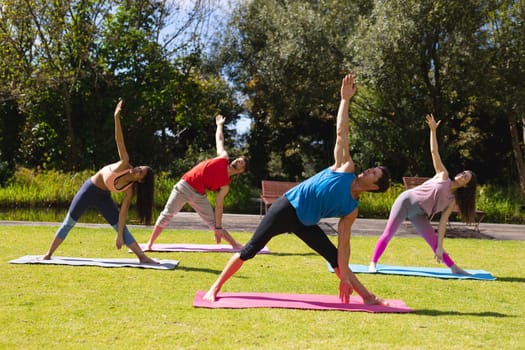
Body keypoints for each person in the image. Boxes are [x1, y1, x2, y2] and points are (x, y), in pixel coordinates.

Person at [203, 73, 391, 305]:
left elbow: (344, 246)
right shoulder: (345, 167)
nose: (368, 171)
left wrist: (343, 277)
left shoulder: (351, 209)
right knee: (250, 249)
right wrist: (345, 100)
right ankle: (214, 288)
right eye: (372, 169)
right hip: (286, 208)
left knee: (334, 257)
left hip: (306, 222)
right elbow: (342, 134)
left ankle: (368, 297)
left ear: (373, 187)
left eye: (373, 174)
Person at [41, 100, 158, 264]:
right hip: (89, 190)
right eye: (139, 167)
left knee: (120, 227)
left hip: (103, 198)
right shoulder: (125, 163)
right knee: (69, 223)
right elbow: (119, 141)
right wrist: (116, 117)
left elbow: (122, 215)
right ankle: (48, 254)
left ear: (141, 180)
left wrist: (119, 237)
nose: (136, 169)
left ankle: (143, 257)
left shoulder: (129, 189)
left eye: (140, 172)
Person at [369, 114, 478, 274]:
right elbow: (434, 152)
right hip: (406, 201)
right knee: (389, 233)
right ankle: (373, 263)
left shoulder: (452, 200)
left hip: (419, 214)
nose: (461, 175)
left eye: (465, 177)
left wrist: (440, 246)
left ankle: (454, 268)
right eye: (462, 173)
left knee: (434, 242)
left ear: (467, 185)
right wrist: (433, 130)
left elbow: (442, 224)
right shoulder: (444, 175)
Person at [146, 114, 248, 250]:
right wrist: (219, 125)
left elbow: (219, 207)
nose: (236, 161)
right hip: (184, 186)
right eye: (237, 159)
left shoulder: (225, 186)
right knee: (167, 214)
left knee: (213, 223)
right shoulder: (223, 158)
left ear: (241, 170)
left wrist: (217, 228)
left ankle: (235, 245)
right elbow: (219, 140)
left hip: (199, 195)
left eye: (240, 163)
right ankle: (150, 244)